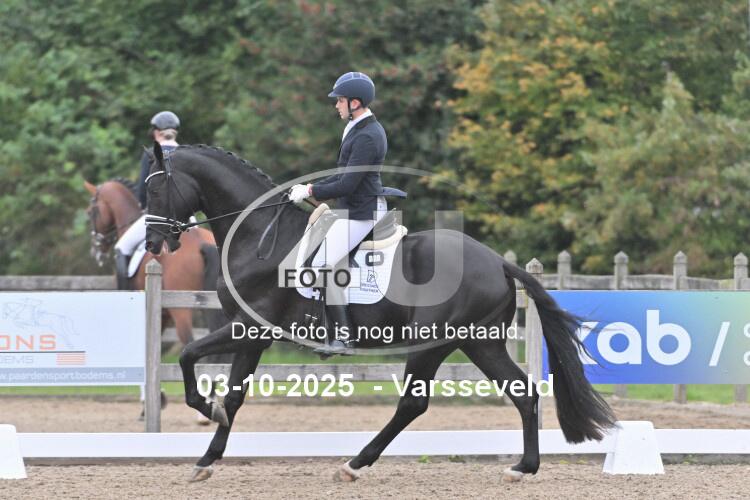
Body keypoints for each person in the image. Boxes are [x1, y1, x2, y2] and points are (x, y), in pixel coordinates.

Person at [289, 72, 389, 351]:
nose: (336, 105)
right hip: (354, 208)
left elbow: (347, 184)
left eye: (340, 100)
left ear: (355, 103)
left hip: (362, 212)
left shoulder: (367, 135)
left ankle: (344, 336)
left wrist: (311, 190)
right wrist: (310, 187)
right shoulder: (356, 128)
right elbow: (342, 175)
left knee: (322, 267)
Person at [114, 111, 180, 290]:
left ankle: (125, 296)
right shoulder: (187, 153)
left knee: (121, 248)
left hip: (156, 216)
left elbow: (143, 188)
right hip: (186, 217)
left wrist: (142, 204)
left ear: (157, 132)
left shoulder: (151, 154)